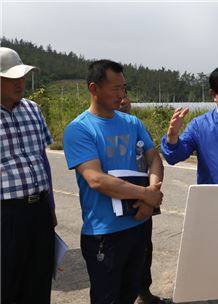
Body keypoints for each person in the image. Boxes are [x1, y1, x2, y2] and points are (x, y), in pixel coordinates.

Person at [63, 60, 164, 304]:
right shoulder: (79, 129)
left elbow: (154, 159)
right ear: (94, 88)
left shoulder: (132, 123)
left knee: (129, 294)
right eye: (115, 88)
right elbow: (96, 179)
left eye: (123, 88)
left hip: (138, 224)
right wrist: (145, 194)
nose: (121, 94)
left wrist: (152, 193)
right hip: (104, 234)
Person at [1, 47, 56, 304]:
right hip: (6, 214)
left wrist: (51, 206)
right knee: (8, 284)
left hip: (39, 211)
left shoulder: (33, 110)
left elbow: (42, 159)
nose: (20, 83)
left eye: (22, 77)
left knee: (40, 280)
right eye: (12, 78)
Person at [117, 91, 167, 304]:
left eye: (125, 95)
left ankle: (143, 291)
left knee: (144, 247)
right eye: (117, 95)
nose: (123, 100)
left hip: (146, 197)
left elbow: (154, 158)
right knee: (120, 254)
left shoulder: (135, 125)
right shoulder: (95, 128)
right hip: (118, 199)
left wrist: (149, 197)